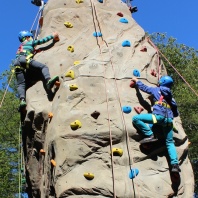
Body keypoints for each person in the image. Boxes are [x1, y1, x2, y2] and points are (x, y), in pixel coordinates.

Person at [132, 76, 181, 173]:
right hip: (168, 122)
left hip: (158, 117)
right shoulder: (172, 98)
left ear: (161, 82)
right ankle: (175, 165)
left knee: (136, 118)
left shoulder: (156, 90)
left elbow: (144, 88)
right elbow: (175, 113)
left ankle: (149, 134)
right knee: (170, 142)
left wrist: (136, 81)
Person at [13, 30, 59, 111]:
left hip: (17, 64)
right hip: (25, 60)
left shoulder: (21, 46)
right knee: (43, 67)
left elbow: (28, 51)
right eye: (30, 37)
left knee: (21, 84)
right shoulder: (30, 42)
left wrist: (35, 51)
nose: (31, 38)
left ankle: (22, 101)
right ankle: (48, 81)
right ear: (27, 37)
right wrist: (53, 36)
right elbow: (42, 41)